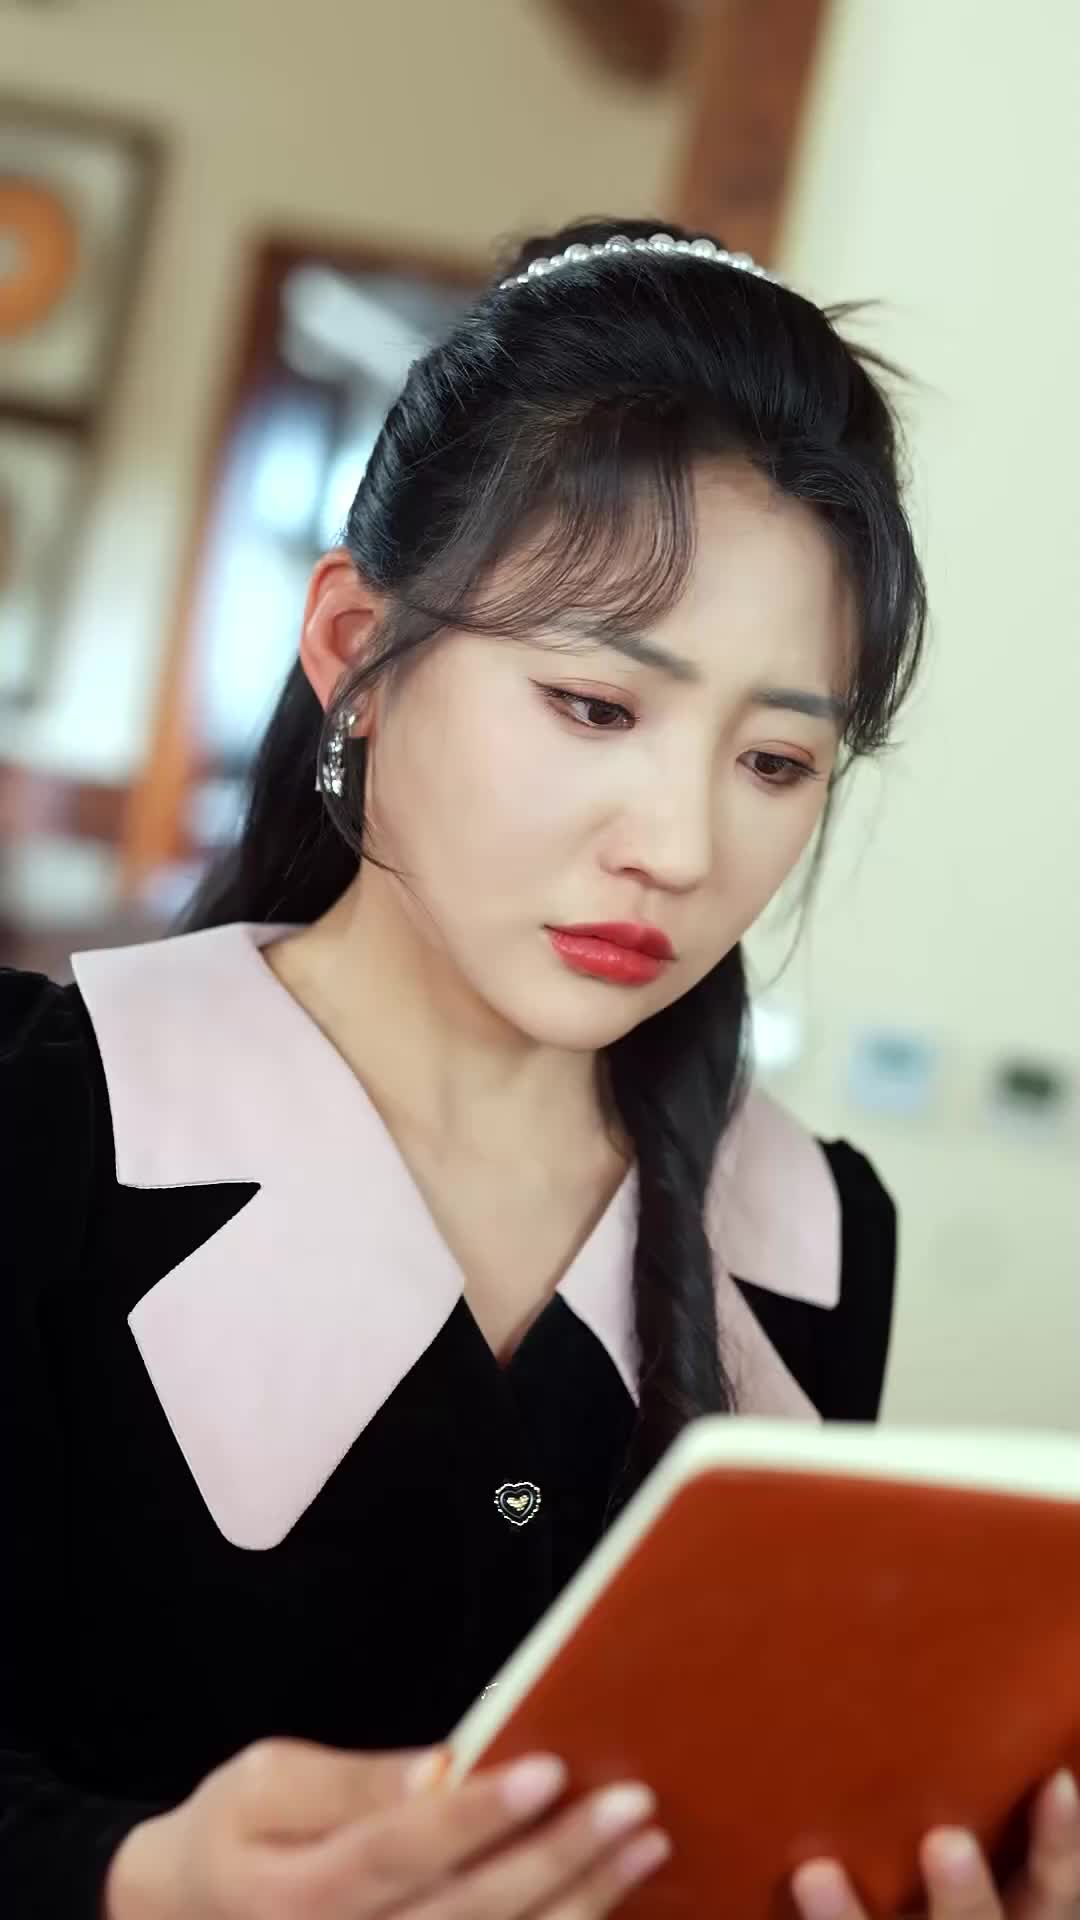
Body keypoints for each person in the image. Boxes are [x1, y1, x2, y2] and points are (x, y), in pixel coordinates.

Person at [3, 217, 1076, 1920]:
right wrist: (135, 1882)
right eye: (594, 706)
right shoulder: (51, 1117)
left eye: (776, 760)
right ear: (355, 650)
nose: (680, 847)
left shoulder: (808, 1234)